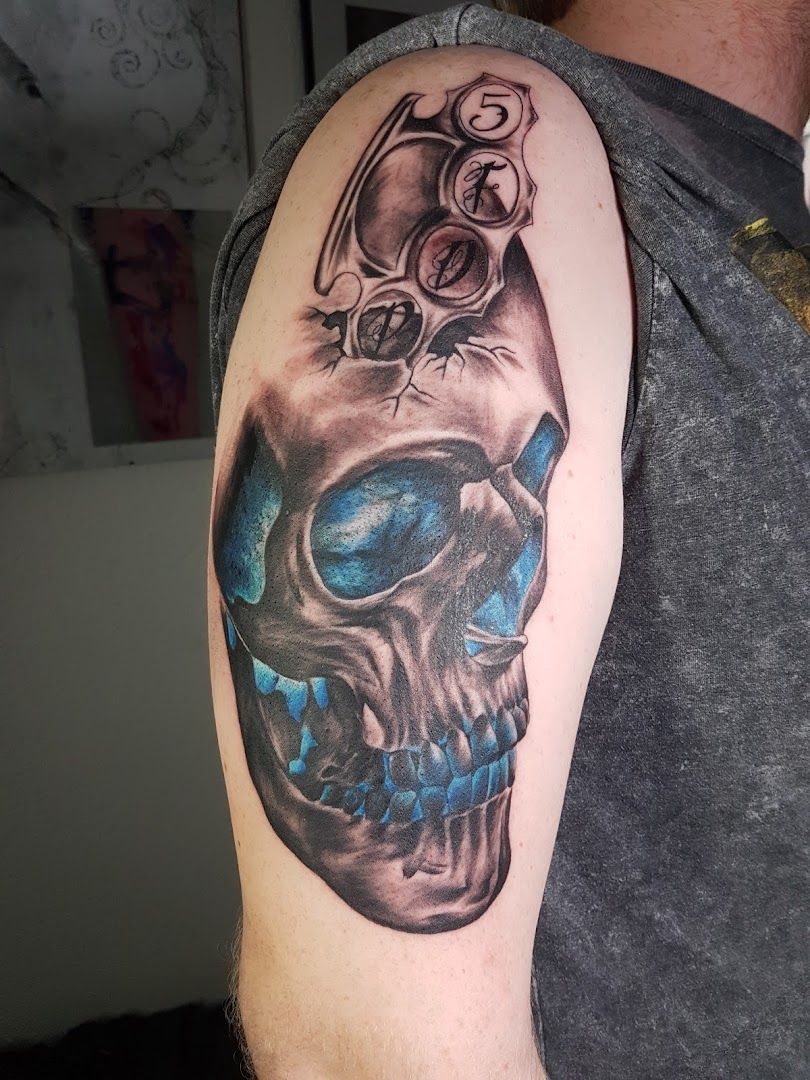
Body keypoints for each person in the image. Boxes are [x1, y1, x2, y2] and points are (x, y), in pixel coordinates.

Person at [208, 2, 809, 1076]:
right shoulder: (511, 133)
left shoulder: (756, 203)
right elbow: (370, 1060)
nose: (493, 624)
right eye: (378, 534)